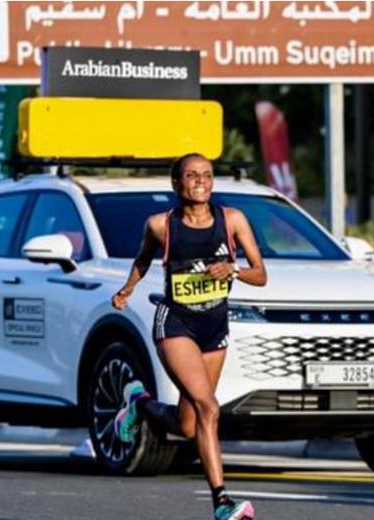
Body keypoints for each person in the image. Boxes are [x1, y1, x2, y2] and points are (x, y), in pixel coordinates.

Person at [111, 153, 267, 520]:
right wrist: (127, 289)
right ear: (176, 183)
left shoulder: (232, 220)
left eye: (207, 175)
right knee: (209, 407)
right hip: (176, 324)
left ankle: (139, 404)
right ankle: (222, 502)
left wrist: (234, 270)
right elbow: (143, 259)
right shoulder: (160, 225)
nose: (201, 181)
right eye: (192, 175)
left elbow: (261, 274)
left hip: (214, 326)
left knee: (188, 425)